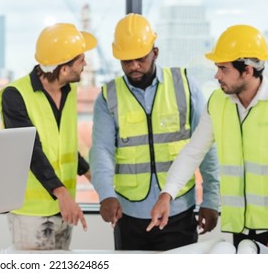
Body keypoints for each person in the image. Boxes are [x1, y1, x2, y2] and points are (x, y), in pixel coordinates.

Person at [148, 24, 268, 254]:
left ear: (247, 70)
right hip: (243, 229)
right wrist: (168, 194)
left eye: (223, 69)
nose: (216, 75)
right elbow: (193, 151)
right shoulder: (217, 102)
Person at [89, 13, 220, 251]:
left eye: (140, 59)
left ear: (155, 52)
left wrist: (212, 199)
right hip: (128, 215)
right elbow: (101, 151)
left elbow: (207, 146)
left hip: (179, 211)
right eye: (126, 61)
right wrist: (105, 194)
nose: (133, 66)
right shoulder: (108, 96)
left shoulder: (185, 85)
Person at [0, 23, 95, 250]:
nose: (85, 64)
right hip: (31, 212)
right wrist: (62, 194)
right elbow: (30, 150)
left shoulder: (69, 90)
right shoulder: (15, 95)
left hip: (63, 206)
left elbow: (64, 144)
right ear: (63, 69)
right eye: (81, 60)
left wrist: (88, 172)